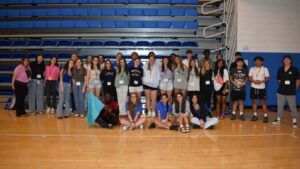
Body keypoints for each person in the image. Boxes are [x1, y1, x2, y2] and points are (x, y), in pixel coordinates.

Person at [273, 55, 299, 128]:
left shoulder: (295, 69)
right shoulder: (280, 69)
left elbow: (298, 80)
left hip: (291, 92)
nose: (286, 61)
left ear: (290, 61)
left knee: (292, 107)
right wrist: (282, 85)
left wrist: (295, 88)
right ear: (283, 61)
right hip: (281, 91)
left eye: (288, 59)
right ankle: (278, 119)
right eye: (285, 59)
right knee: (280, 106)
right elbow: (279, 80)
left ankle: (294, 121)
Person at [248, 56, 270, 123]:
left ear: (262, 62)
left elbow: (267, 78)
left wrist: (261, 81)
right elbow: (249, 77)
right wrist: (253, 81)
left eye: (259, 61)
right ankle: (255, 115)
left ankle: (265, 116)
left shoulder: (265, 69)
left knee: (263, 102)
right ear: (254, 62)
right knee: (254, 102)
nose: (257, 62)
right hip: (253, 87)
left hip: (262, 88)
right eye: (256, 61)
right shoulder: (252, 69)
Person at [143, 52, 160, 117]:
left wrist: (158, 83)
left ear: (154, 60)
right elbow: (143, 75)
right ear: (149, 59)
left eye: (153, 59)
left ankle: (153, 111)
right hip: (146, 84)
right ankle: (149, 111)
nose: (151, 60)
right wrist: (143, 82)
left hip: (154, 84)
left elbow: (158, 75)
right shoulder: (145, 65)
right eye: (150, 59)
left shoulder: (157, 66)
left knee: (154, 99)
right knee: (147, 98)